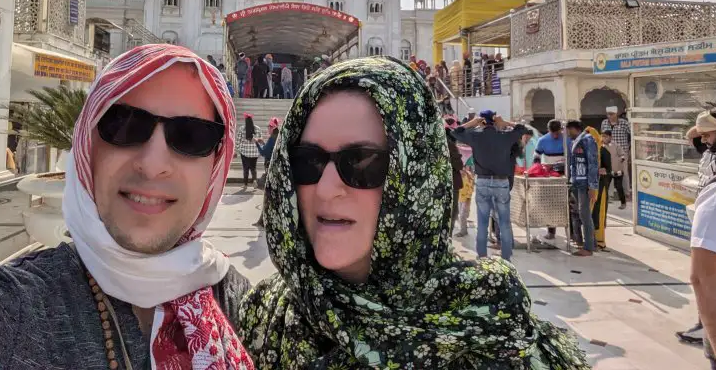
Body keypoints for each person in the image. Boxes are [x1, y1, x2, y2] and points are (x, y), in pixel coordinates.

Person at [0, 44, 254, 369]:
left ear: (216, 165)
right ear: (88, 149)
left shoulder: (238, 303)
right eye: (124, 125)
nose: (152, 165)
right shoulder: (11, 308)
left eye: (191, 136)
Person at [238, 56, 589, 369]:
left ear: (417, 177)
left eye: (361, 162)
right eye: (307, 161)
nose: (327, 189)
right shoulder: (262, 315)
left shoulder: (494, 331)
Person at [678, 107, 716, 347]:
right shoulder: (711, 148)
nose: (704, 139)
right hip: (707, 219)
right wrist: (704, 124)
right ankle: (705, 326)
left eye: (709, 134)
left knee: (712, 281)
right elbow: (691, 135)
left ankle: (712, 333)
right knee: (705, 280)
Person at [450, 109, 526, 261]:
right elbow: (523, 129)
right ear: (494, 120)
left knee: (483, 220)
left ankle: (482, 256)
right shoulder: (505, 136)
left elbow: (454, 133)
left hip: (483, 181)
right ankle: (506, 257)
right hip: (502, 181)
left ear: (482, 122)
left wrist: (472, 123)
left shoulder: (475, 136)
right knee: (503, 220)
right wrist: (504, 122)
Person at [567, 120, 599, 257]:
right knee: (582, 214)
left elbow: (592, 163)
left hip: (585, 182)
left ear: (574, 129)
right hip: (577, 182)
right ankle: (592, 244)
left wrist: (593, 186)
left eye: (568, 130)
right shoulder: (576, 141)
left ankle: (588, 248)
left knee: (585, 214)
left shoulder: (587, 140)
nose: (566, 134)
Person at [533, 119, 567, 240]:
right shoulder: (542, 140)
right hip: (550, 177)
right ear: (548, 131)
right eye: (553, 133)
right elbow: (536, 157)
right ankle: (551, 231)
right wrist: (538, 169)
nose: (555, 135)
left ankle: (572, 235)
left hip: (565, 176)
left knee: (568, 205)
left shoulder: (566, 139)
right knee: (550, 204)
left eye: (557, 132)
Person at [588, 127, 611, 251]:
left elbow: (608, 170)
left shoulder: (603, 152)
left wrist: (602, 172)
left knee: (598, 214)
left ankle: (599, 241)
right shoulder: (585, 151)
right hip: (587, 188)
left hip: (600, 189)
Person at [601, 105, 631, 190]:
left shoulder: (624, 123)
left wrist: (629, 148)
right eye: (608, 114)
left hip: (622, 152)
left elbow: (632, 135)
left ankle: (626, 193)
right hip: (608, 152)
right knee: (609, 173)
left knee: (624, 173)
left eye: (611, 114)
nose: (609, 116)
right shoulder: (604, 123)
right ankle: (609, 195)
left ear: (616, 114)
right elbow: (602, 137)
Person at [602, 130, 627, 209]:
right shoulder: (601, 146)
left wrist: (621, 160)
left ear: (610, 137)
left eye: (606, 136)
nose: (604, 138)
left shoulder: (616, 145)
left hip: (617, 170)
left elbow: (623, 155)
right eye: (603, 136)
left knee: (619, 187)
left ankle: (623, 203)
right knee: (605, 187)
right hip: (607, 171)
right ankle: (604, 203)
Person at [236, 113, 261, 191]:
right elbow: (260, 140)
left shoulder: (242, 129)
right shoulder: (257, 128)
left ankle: (245, 185)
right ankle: (254, 181)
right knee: (253, 168)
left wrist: (238, 150)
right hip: (254, 153)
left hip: (245, 152)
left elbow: (238, 141)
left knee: (245, 168)